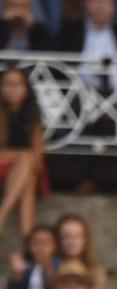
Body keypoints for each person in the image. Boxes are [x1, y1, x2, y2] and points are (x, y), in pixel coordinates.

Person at [0, 66, 43, 242]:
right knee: (26, 157)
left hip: (21, 169)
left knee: (29, 176)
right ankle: (29, 240)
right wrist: (20, 156)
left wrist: (28, 163)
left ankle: (26, 237)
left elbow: (38, 153)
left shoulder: (32, 114)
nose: (12, 89)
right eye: (7, 84)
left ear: (26, 90)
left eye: (17, 85)